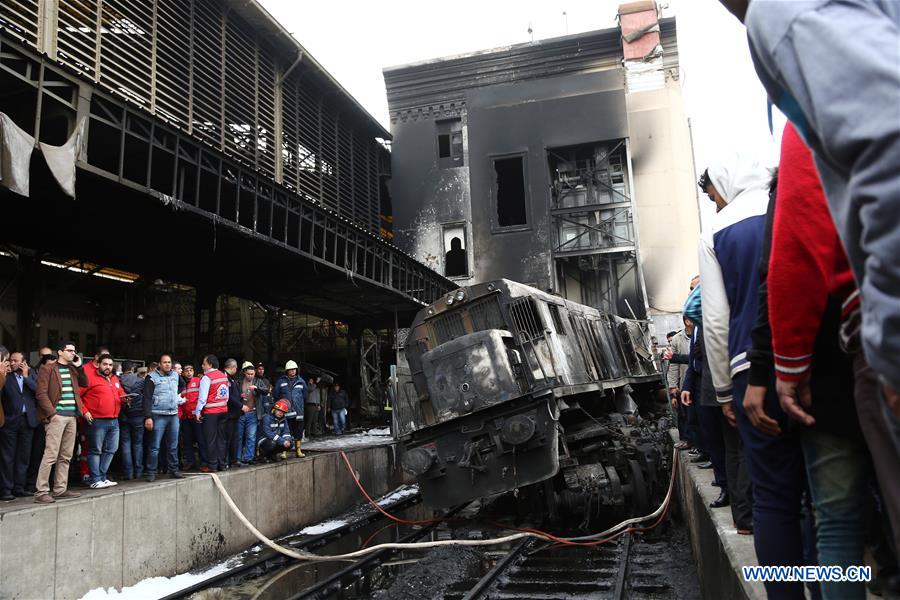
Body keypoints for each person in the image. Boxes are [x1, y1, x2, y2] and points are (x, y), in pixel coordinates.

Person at [724, 0, 900, 573]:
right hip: (845, 340)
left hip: (822, 355)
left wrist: (767, 370)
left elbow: (792, 262)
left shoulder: (789, 20)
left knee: (831, 516)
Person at [34, 340, 87, 503]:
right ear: (60, 352)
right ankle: (41, 491)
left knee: (66, 455)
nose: (73, 353)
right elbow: (41, 393)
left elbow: (85, 383)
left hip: (72, 416)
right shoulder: (47, 368)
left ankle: (60, 489)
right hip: (57, 417)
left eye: (74, 350)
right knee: (50, 454)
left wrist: (79, 366)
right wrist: (52, 414)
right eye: (70, 350)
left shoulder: (73, 369)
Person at [79, 353, 124, 489]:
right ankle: (95, 479)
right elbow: (77, 396)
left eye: (110, 365)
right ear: (98, 364)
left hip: (114, 420)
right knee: (95, 450)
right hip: (97, 420)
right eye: (105, 364)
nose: (108, 367)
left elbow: (120, 392)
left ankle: (102, 477)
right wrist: (85, 412)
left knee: (111, 449)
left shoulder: (114, 378)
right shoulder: (89, 377)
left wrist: (124, 397)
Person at [1, 351, 38, 499]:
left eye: (16, 360)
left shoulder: (31, 375)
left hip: (27, 421)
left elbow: (38, 392)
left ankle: (19, 487)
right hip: (10, 420)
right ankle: (5, 489)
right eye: (10, 360)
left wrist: (26, 376)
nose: (12, 363)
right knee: (7, 457)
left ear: (24, 363)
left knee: (23, 456)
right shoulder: (6, 376)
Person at [142, 353, 185, 481]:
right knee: (155, 446)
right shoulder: (151, 377)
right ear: (159, 364)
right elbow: (147, 398)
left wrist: (173, 396)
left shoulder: (175, 375)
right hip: (158, 415)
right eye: (164, 362)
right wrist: (148, 417)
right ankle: (151, 472)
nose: (167, 364)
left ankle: (174, 470)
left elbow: (182, 385)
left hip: (173, 415)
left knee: (173, 445)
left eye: (169, 362)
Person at [194, 355, 230, 471]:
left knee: (210, 439)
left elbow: (202, 398)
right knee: (221, 439)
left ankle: (212, 465)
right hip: (223, 411)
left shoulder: (206, 377)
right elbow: (226, 396)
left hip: (211, 413)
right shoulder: (223, 376)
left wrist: (198, 411)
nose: (202, 366)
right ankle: (222, 464)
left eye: (204, 364)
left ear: (210, 364)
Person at [235, 361, 268, 466]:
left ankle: (249, 457)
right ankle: (237, 458)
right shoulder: (239, 381)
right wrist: (240, 396)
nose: (250, 376)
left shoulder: (258, 381)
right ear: (244, 373)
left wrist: (257, 388)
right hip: (240, 412)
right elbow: (233, 395)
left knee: (251, 436)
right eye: (248, 374)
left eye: (252, 374)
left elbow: (266, 391)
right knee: (239, 436)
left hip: (253, 412)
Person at [118, 361, 145, 480]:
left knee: (125, 444)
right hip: (138, 415)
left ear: (122, 369)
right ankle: (138, 471)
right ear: (133, 368)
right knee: (138, 444)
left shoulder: (117, 381)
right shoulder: (140, 380)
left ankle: (128, 473)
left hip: (123, 416)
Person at [275, 361, 307, 457]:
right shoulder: (281, 381)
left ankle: (298, 450)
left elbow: (305, 395)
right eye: (291, 370)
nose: (293, 371)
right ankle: (284, 451)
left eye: (294, 369)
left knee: (299, 431)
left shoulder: (301, 382)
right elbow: (276, 395)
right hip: (286, 412)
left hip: (298, 412)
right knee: (286, 431)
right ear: (287, 371)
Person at [179, 364, 207, 471]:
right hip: (186, 417)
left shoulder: (198, 381)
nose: (189, 372)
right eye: (186, 370)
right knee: (187, 441)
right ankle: (190, 462)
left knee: (201, 440)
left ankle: (204, 462)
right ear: (183, 373)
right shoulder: (181, 385)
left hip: (197, 416)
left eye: (191, 370)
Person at [223, 358, 243, 468]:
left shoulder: (232, 379)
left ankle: (233, 460)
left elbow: (234, 393)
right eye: (235, 368)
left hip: (235, 414)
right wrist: (241, 405)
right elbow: (228, 396)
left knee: (235, 438)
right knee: (227, 438)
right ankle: (225, 461)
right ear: (232, 367)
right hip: (228, 413)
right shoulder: (224, 378)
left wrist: (241, 397)